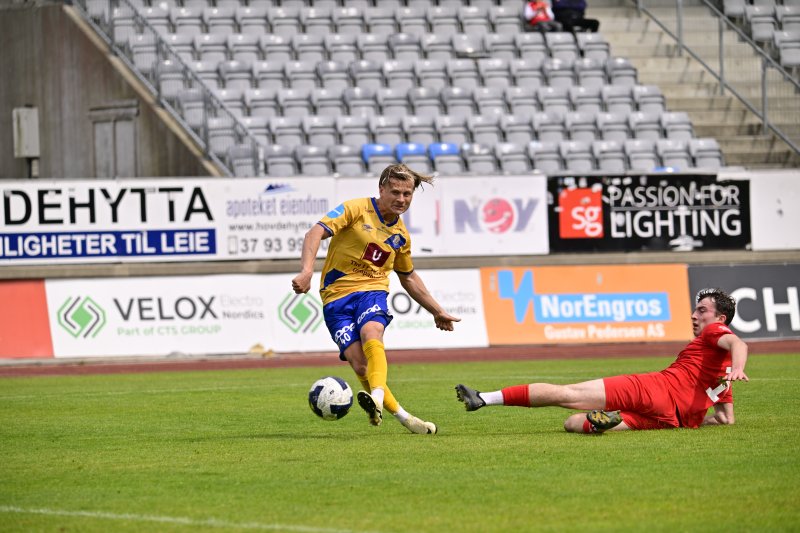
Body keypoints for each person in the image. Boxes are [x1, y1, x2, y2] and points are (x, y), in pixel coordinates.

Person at [292, 163, 461, 435]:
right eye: (395, 192)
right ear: (381, 189)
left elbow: (408, 276)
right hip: (335, 297)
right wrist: (307, 271)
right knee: (360, 364)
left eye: (407, 194)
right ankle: (405, 418)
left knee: (372, 332)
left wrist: (436, 310)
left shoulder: (400, 237)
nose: (401, 199)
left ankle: (378, 399)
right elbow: (315, 232)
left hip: (372, 291)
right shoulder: (356, 209)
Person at [456, 288, 749, 433]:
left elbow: (738, 342)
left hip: (653, 389)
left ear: (720, 319)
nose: (694, 316)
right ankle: (602, 422)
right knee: (572, 424)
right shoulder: (722, 378)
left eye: (702, 311)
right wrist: (694, 420)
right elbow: (726, 419)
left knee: (569, 395)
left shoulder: (714, 332)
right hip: (670, 420)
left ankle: (485, 398)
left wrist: (738, 367)